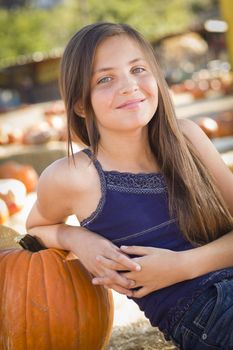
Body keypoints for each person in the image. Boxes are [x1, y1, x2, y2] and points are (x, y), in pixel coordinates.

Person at [26, 22, 233, 349]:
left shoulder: (187, 138)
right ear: (81, 104)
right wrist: (76, 237)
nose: (128, 86)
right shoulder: (75, 176)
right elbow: (35, 228)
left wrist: (182, 265)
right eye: (105, 79)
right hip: (208, 313)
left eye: (138, 69)